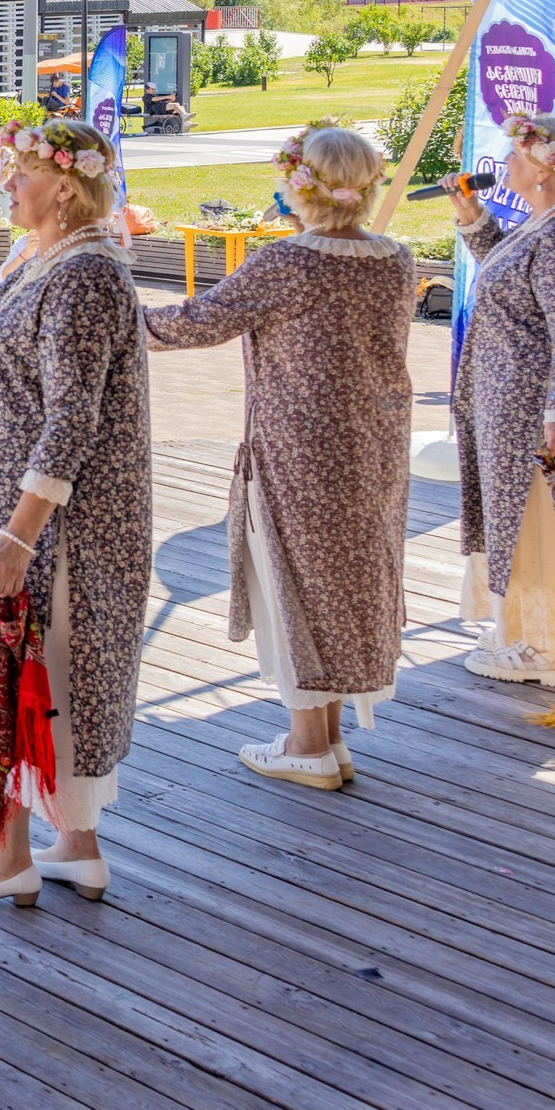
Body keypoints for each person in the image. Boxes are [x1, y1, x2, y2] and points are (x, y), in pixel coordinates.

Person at [0, 116, 151, 905]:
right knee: (43, 668)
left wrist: (20, 534)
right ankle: (76, 845)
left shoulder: (85, 276)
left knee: (21, 667)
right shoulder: (46, 260)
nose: (6, 184)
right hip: (26, 505)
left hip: (56, 524)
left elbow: (72, 418)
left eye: (21, 173)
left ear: (66, 188)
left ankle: (8, 859)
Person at [143, 123, 415, 786]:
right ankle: (327, 738)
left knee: (295, 580)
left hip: (301, 449)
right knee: (344, 583)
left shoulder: (290, 262)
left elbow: (198, 322)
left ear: (299, 185)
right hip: (377, 447)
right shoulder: (395, 258)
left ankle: (308, 744)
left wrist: (118, 319)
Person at [449, 111, 555, 689]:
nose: (504, 164)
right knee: (518, 522)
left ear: (544, 170)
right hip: (514, 403)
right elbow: (516, 281)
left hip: (534, 410)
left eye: (514, 155)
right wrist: (473, 218)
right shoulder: (552, 221)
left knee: (535, 523)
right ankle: (524, 632)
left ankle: (543, 648)